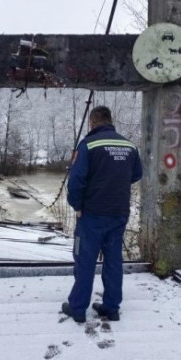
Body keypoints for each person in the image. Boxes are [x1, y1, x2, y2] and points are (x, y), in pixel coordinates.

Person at [62, 105, 142, 323]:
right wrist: (114, 183)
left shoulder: (88, 145)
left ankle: (78, 308)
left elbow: (76, 181)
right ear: (110, 120)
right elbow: (136, 175)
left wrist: (77, 205)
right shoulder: (130, 145)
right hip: (119, 213)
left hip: (91, 215)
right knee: (114, 261)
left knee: (84, 260)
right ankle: (111, 307)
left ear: (92, 122)